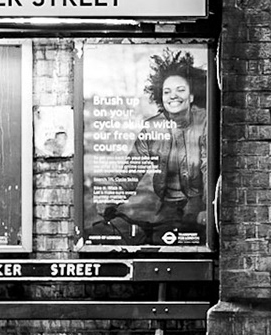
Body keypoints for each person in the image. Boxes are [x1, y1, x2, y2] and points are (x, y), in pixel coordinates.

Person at [89, 49, 209, 245]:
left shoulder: (204, 122)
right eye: (167, 91)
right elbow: (132, 169)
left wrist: (207, 209)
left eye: (181, 90)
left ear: (192, 96)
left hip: (197, 202)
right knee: (155, 243)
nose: (173, 96)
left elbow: (207, 167)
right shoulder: (152, 127)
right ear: (160, 97)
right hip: (168, 204)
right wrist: (110, 198)